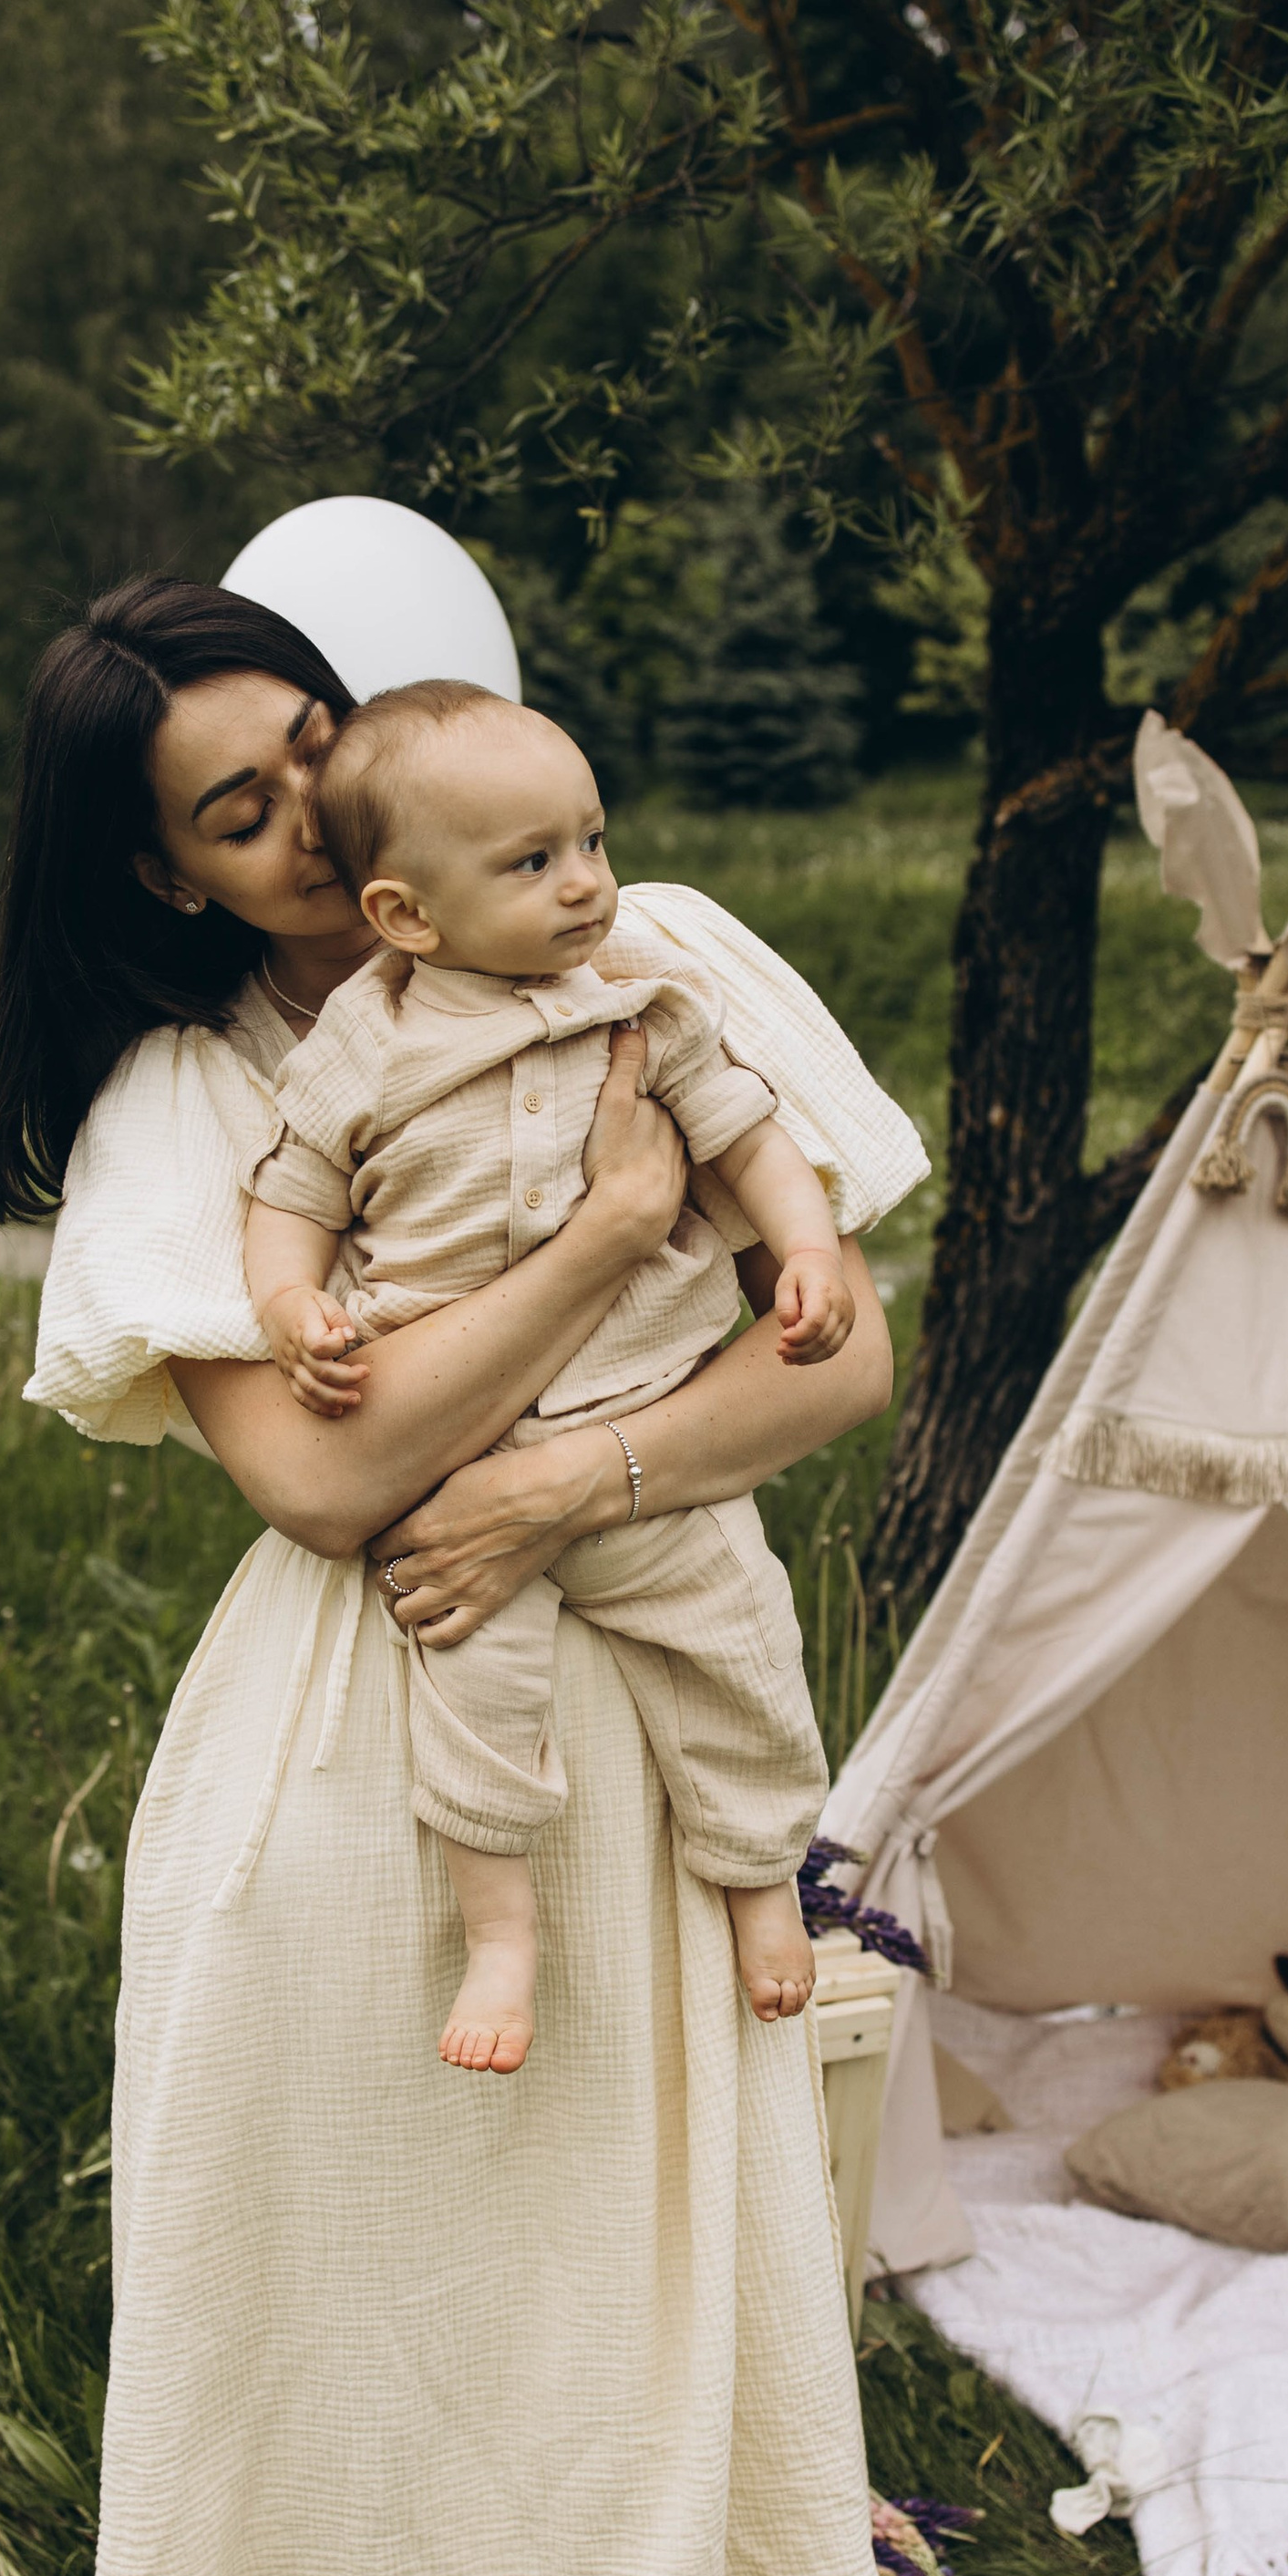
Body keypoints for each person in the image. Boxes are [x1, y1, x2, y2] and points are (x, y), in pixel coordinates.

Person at [0, 574, 928, 2576]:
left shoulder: (644, 947)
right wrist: (616, 1242)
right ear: (168, 870)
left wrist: (562, 1474)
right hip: (356, 1731)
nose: (298, 821)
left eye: (310, 747)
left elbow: (842, 1370)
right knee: (293, 2288)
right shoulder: (193, 1104)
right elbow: (327, 1480)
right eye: (232, 810)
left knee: (640, 2238)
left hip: (616, 1684)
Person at [244, 677, 853, 2074]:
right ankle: (501, 1935)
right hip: (452, 1469)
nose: (586, 885)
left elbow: (752, 1144)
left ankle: (763, 1881)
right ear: (405, 914)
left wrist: (807, 1250)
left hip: (645, 1438)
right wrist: (291, 1306)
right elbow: (294, 1194)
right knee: (470, 1701)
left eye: (591, 840)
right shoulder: (366, 1044)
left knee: (743, 1653)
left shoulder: (642, 1005)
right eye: (533, 863)